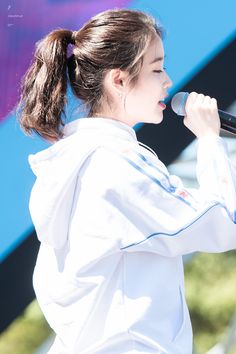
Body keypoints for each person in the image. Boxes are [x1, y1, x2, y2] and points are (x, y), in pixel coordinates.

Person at [17, 8, 236, 354]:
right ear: (119, 80)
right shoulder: (115, 164)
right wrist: (209, 139)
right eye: (156, 68)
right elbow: (226, 221)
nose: (167, 80)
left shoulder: (75, 164)